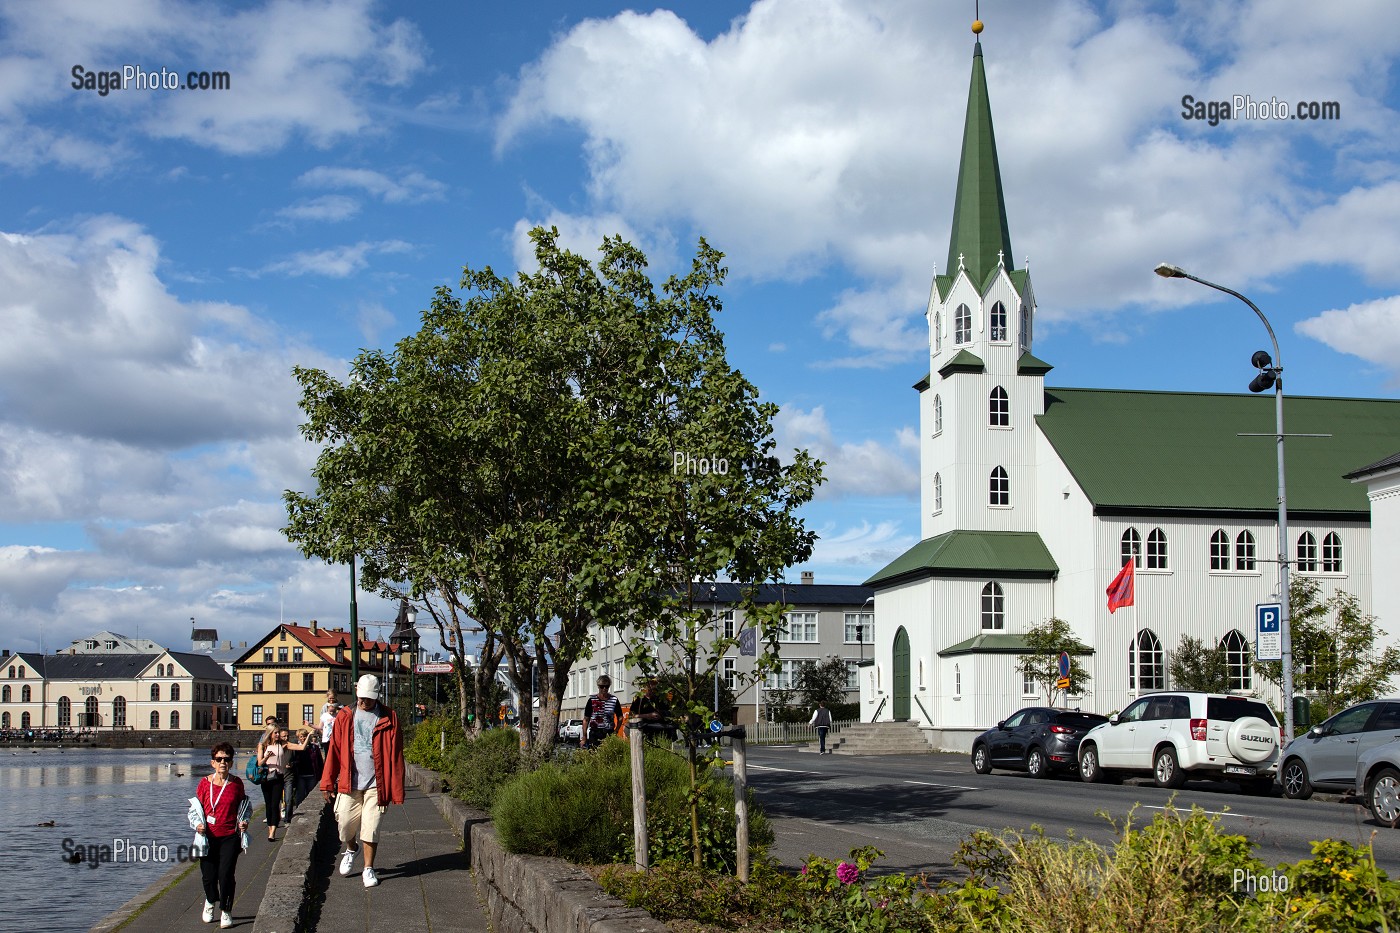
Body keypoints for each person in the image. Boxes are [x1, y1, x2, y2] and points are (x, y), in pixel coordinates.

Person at [322, 673, 405, 889]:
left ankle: (368, 868)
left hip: (376, 784)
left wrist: (395, 790)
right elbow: (335, 750)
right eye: (360, 697)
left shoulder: (389, 717)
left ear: (376, 696)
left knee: (371, 827)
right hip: (349, 781)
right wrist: (327, 782)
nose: (362, 701)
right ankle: (351, 848)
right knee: (344, 824)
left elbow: (396, 755)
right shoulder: (345, 715)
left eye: (367, 698)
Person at [192, 742, 250, 929]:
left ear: (231, 763)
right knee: (208, 876)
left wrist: (244, 821)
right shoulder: (204, 783)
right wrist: (198, 825)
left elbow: (245, 808)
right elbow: (195, 810)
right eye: (219, 759)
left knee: (225, 875)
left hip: (229, 837)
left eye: (226, 759)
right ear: (213, 762)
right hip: (208, 837)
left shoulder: (236, 784)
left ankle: (226, 910)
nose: (223, 762)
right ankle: (210, 901)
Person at [255, 720, 307, 841]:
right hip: (266, 778)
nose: (278, 735)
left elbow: (301, 747)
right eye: (275, 733)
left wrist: (309, 735)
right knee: (268, 805)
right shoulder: (262, 745)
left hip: (278, 777)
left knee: (275, 804)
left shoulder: (282, 744)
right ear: (270, 733)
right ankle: (270, 827)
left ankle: (273, 831)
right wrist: (267, 756)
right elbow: (259, 762)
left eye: (278, 733)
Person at [282, 727, 323, 822]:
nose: (303, 738)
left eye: (304, 736)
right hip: (300, 775)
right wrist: (292, 764)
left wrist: (321, 775)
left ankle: (312, 814)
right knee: (299, 796)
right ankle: (298, 815)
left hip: (312, 775)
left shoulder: (314, 747)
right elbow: (292, 760)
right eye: (301, 737)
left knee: (311, 795)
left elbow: (319, 762)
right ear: (298, 738)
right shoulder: (295, 748)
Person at [582, 675, 622, 748]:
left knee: (608, 755)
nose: (604, 689)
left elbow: (620, 717)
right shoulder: (592, 700)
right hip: (595, 732)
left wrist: (616, 731)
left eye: (606, 686)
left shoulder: (614, 700)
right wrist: (584, 737)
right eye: (602, 686)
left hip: (609, 732)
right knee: (594, 754)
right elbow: (586, 719)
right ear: (598, 686)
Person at [630, 678, 674, 744]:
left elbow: (670, 714)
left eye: (654, 687)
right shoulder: (638, 699)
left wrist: (661, 715)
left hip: (661, 732)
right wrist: (647, 716)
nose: (651, 690)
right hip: (644, 732)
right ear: (645, 687)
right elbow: (631, 716)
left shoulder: (661, 698)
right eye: (649, 687)